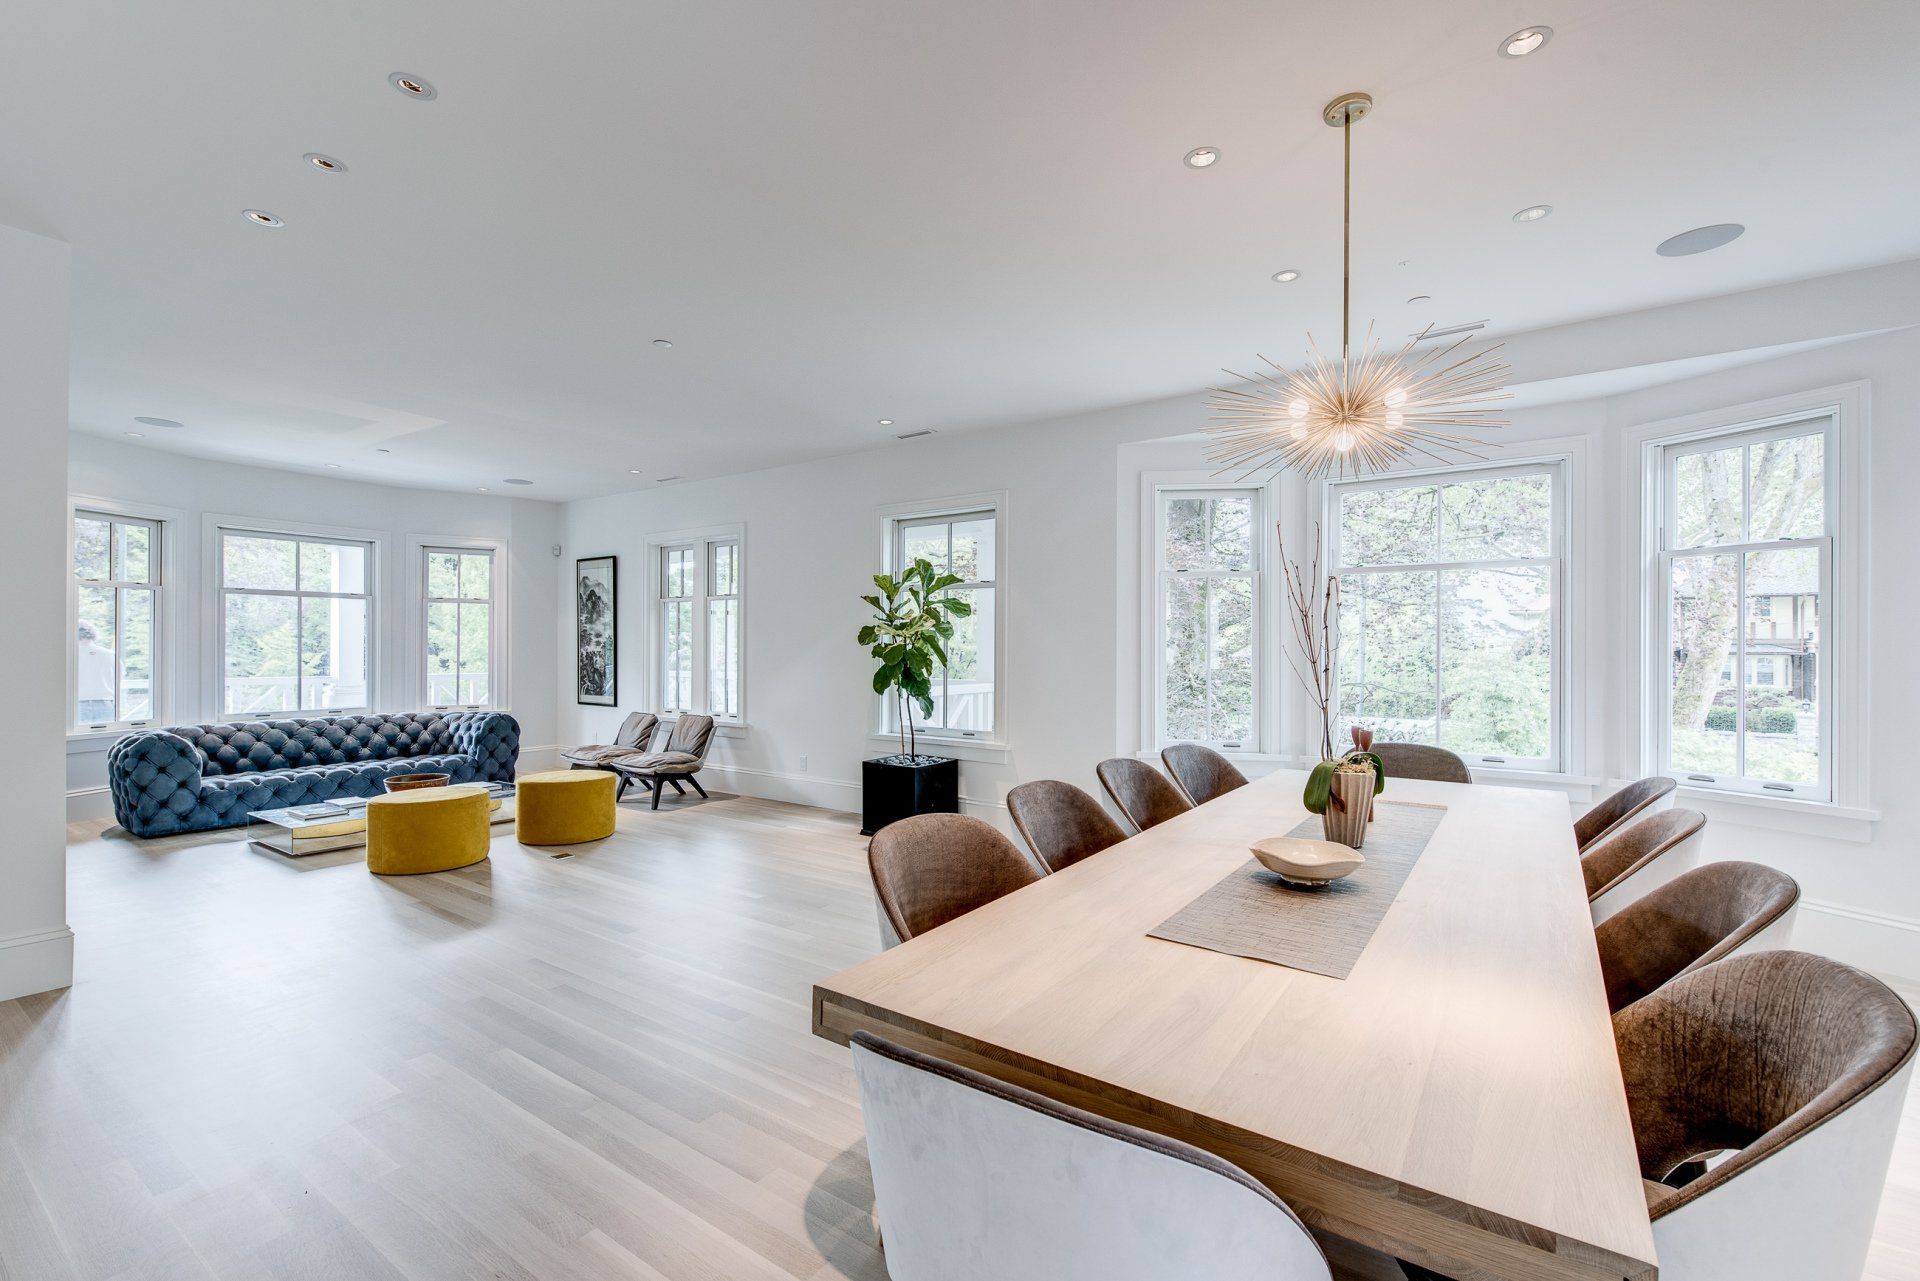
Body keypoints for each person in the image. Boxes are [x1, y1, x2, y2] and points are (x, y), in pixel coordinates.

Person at [76, 621, 116, 724]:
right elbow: (119, 678)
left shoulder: (70, 655)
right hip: (106, 703)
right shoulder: (109, 654)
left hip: (79, 703)